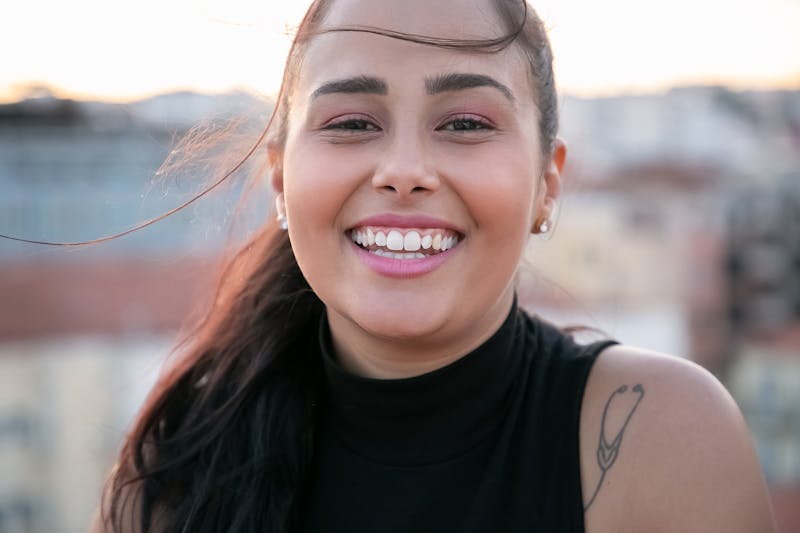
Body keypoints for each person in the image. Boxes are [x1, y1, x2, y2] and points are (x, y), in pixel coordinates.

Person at [94, 0, 777, 531]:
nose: (404, 170)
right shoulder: (173, 474)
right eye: (352, 123)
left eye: (466, 124)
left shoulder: (660, 438)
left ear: (548, 183)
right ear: (280, 178)